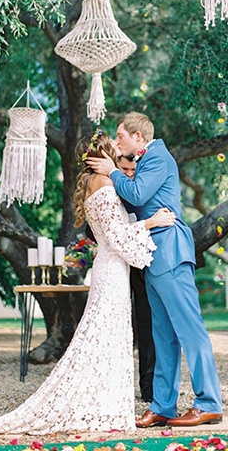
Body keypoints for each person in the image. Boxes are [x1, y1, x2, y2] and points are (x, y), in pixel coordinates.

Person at [0, 130, 176, 439]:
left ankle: (103, 404)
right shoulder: (106, 187)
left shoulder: (99, 185)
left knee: (106, 339)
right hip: (111, 273)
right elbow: (117, 238)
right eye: (114, 146)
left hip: (110, 271)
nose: (119, 149)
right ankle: (101, 405)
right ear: (103, 154)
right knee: (104, 339)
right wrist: (153, 222)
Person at [86, 112, 223, 428]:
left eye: (120, 136)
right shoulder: (144, 162)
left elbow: (137, 195)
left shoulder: (158, 156)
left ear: (138, 136)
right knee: (162, 336)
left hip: (171, 253)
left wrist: (111, 171)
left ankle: (209, 403)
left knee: (190, 330)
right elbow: (132, 206)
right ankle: (162, 405)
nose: (118, 143)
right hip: (152, 258)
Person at [86, 153, 155, 403]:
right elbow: (93, 230)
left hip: (141, 267)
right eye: (124, 169)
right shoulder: (107, 190)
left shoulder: (141, 191)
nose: (129, 174)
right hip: (115, 266)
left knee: (146, 326)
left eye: (132, 170)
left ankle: (148, 388)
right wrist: (116, 245)